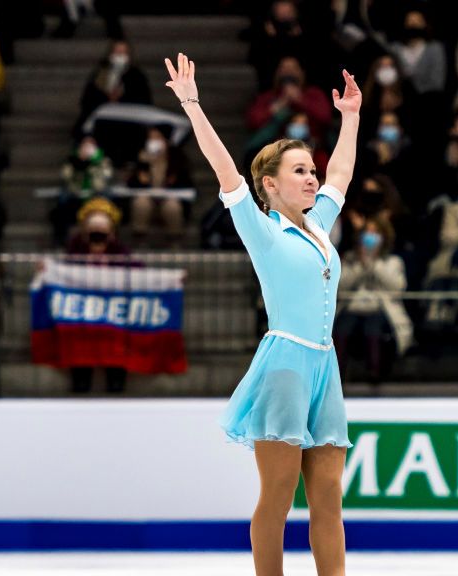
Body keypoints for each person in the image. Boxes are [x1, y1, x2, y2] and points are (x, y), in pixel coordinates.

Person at [165, 53, 359, 575]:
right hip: (285, 367)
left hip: (326, 366)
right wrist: (192, 106)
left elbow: (341, 171)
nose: (311, 178)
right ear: (270, 184)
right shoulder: (263, 230)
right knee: (278, 495)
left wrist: (351, 117)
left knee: (328, 499)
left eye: (310, 171)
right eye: (299, 171)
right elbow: (224, 168)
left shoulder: (319, 224)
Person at [65, 197, 132, 394]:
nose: (97, 239)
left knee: (116, 344)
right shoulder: (75, 250)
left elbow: (139, 274)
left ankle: (116, 380)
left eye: (102, 234)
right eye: (93, 234)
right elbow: (62, 270)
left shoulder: (120, 252)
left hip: (112, 314)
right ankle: (80, 380)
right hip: (83, 315)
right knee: (80, 346)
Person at [334, 215, 411, 383]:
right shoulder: (349, 259)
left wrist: (374, 262)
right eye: (367, 232)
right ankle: (336, 376)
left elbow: (397, 288)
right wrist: (361, 264)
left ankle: (375, 373)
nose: (370, 236)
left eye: (375, 233)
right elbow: (340, 286)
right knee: (342, 326)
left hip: (381, 308)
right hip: (353, 307)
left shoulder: (393, 261)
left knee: (373, 326)